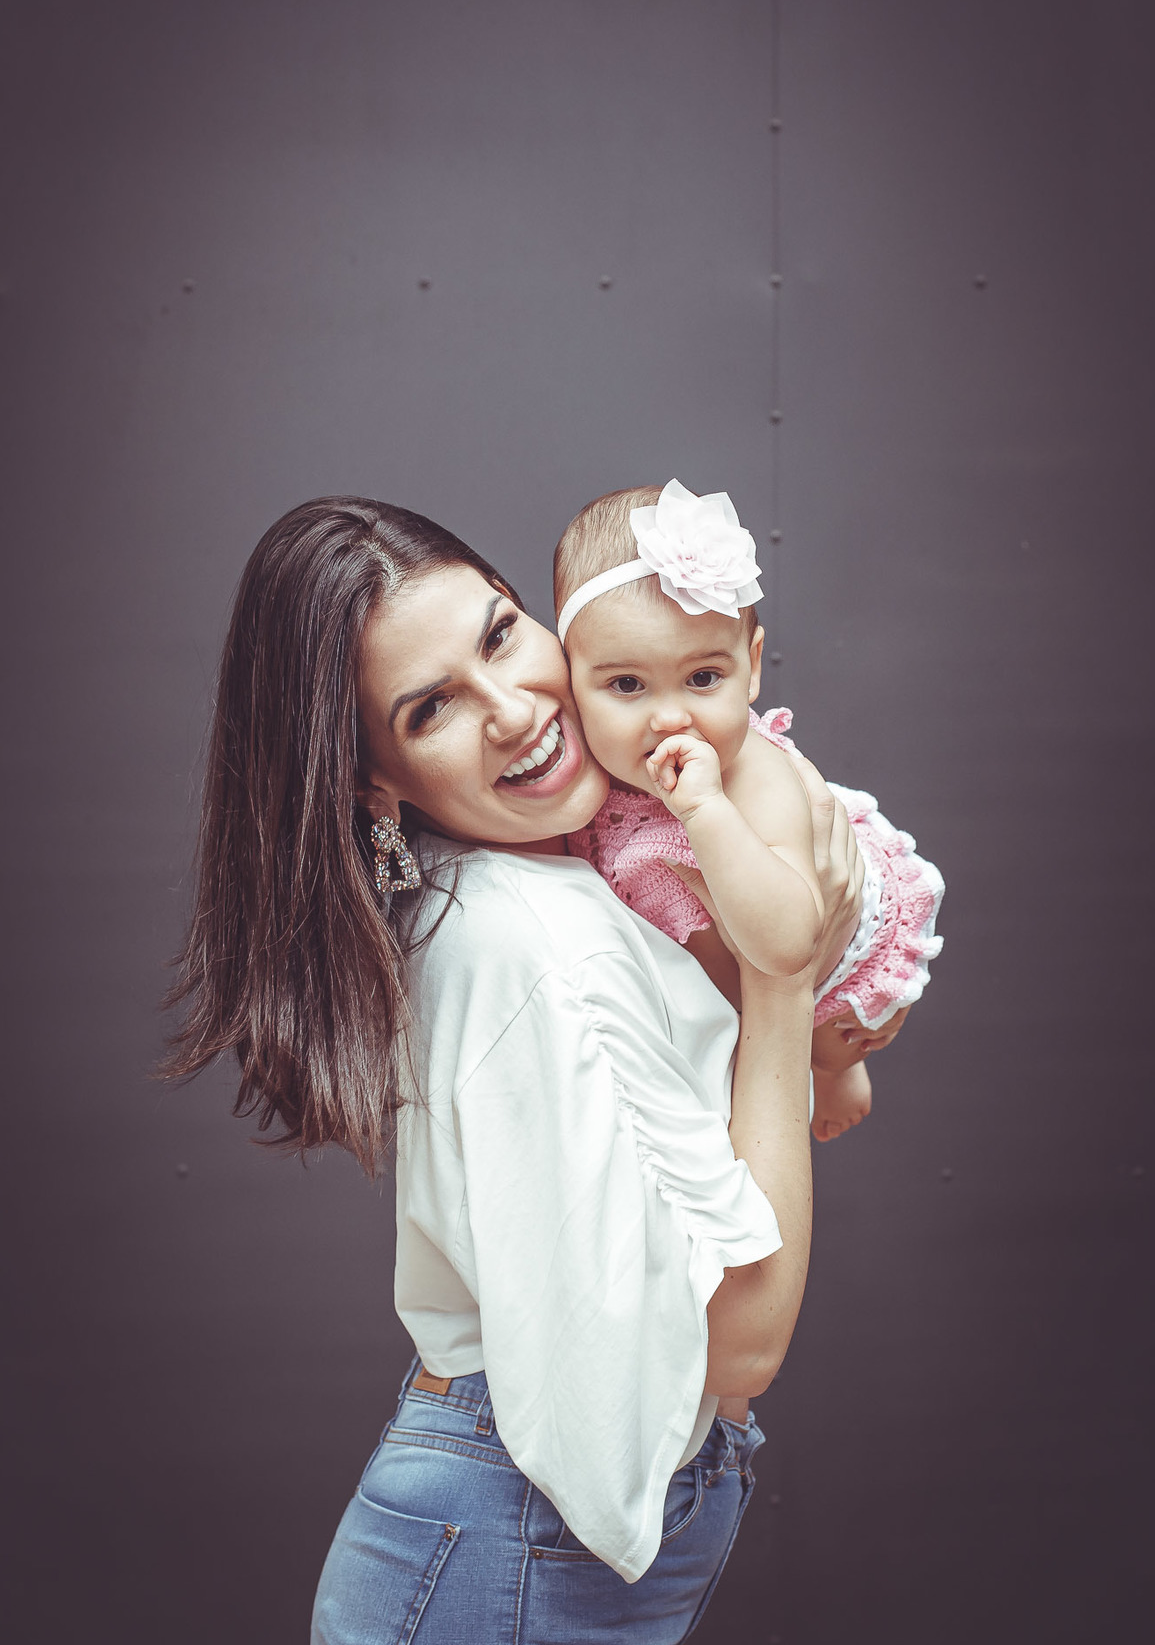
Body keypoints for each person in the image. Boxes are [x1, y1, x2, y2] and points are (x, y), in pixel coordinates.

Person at [163, 495, 863, 1644]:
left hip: (488, 1548)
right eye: (431, 707)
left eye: (499, 635)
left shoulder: (557, 883)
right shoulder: (532, 945)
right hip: (499, 1559)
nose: (514, 711)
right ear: (374, 779)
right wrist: (784, 984)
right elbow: (738, 1344)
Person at [556, 480, 944, 1143]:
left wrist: (707, 811)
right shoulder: (590, 772)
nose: (671, 717)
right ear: (570, 681)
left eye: (703, 679)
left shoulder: (752, 776)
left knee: (829, 1038)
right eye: (626, 684)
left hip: (828, 965)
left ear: (752, 668)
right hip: (717, 980)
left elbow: (791, 945)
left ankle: (838, 1070)